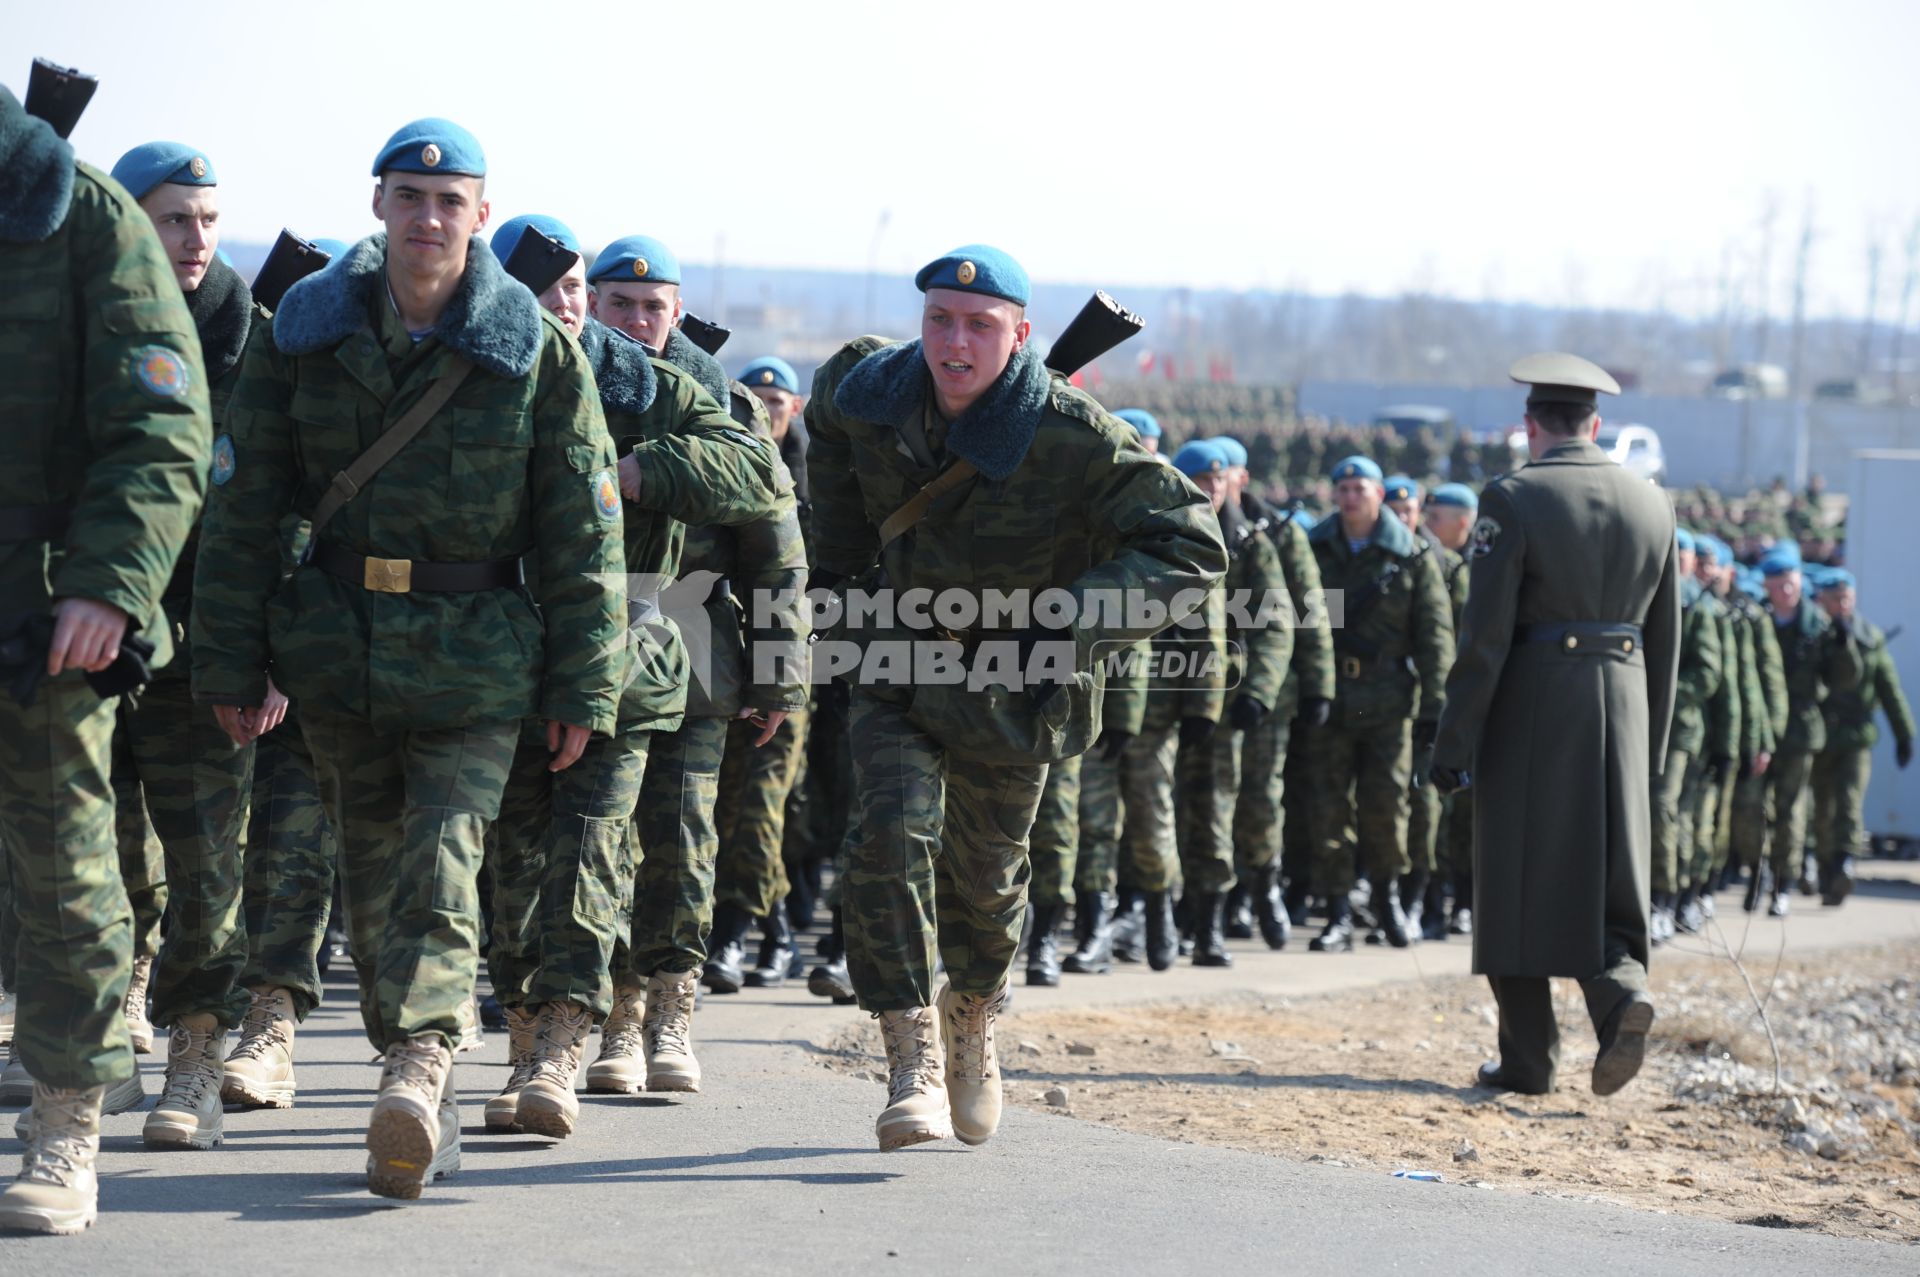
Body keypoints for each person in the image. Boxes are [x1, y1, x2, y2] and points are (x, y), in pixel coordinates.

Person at [190, 120, 630, 1199]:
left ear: (483, 214)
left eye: (451, 201)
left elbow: (584, 530)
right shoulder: (306, 332)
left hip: (476, 656)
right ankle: (415, 1064)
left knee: (443, 855)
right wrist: (228, 662)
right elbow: (246, 507)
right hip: (339, 647)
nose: (429, 219)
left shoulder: (533, 347)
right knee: (377, 879)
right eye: (409, 197)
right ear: (379, 206)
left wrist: (585, 685)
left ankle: (422, 1061)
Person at [807, 245, 1226, 1150]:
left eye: (980, 326)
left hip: (1015, 689)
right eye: (940, 321)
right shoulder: (868, 389)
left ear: (1021, 335)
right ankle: (908, 1049)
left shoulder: (1073, 434)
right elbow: (830, 433)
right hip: (903, 660)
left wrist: (1065, 623)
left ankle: (974, 1010)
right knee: (885, 835)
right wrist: (838, 565)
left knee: (988, 886)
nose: (955, 343)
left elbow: (1192, 544)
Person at [477, 216, 781, 1136]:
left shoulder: (692, 390)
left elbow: (773, 536)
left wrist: (780, 669)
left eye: (655, 307)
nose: (634, 320)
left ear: (676, 311)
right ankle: (591, 1023)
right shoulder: (538, 366)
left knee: (674, 836)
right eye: (617, 302)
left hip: (678, 624)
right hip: (541, 627)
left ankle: (662, 1014)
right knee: (546, 849)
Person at [0, 83, 211, 1235]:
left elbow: (162, 424)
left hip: (37, 612)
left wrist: (105, 584)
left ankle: (64, 1122)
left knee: (65, 868)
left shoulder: (75, 214)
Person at [1431, 352, 1679, 1098]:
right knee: (1609, 873)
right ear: (1596, 426)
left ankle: (1528, 1058)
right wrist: (1651, 745)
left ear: (1530, 425)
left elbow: (1484, 638)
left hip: (1535, 703)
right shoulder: (1653, 503)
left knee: (1515, 877)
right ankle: (1619, 993)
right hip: (1626, 703)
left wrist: (1454, 740)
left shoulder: (1512, 497)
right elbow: (1668, 639)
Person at [99, 139, 268, 1151]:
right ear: (130, 220)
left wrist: (264, 653)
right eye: (172, 217)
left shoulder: (265, 345)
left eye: (206, 218)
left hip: (210, 644)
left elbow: (288, 515)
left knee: (209, 860)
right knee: (102, 850)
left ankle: (198, 1049)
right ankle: (111, 1009)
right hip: (98, 633)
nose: (193, 238)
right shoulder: (91, 327)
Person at [1305, 457, 1453, 952]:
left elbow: (1435, 637)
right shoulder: (1315, 547)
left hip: (1389, 704)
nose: (1350, 498)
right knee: (1329, 807)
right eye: (1343, 488)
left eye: (1360, 488)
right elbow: (1292, 622)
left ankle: (1388, 898)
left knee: (1386, 806)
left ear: (1378, 495)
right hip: (1331, 699)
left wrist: (1435, 707)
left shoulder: (1409, 554)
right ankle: (1339, 910)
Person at [1171, 440, 1290, 966]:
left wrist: (1260, 693)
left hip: (1226, 694)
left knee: (1217, 809)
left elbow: (1277, 624)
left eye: (1218, 481)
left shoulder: (1249, 541)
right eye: (1200, 480)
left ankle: (1211, 925)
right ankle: (1162, 917)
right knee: (1162, 811)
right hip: (1162, 694)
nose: (1211, 490)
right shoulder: (1160, 532)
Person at [1752, 543, 1861, 915]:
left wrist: (1845, 642)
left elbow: (1843, 679)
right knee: (1751, 807)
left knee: (1792, 809)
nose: (1786, 591)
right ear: (1766, 586)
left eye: (1791, 583)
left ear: (1800, 583)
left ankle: (1783, 881)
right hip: (1761, 726)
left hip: (1800, 729)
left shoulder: (1819, 626)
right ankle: (1756, 871)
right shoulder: (1758, 620)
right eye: (1778, 584)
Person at [1811, 569, 1909, 904]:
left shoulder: (1869, 637)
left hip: (1856, 737)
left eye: (1846, 598)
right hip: (1821, 735)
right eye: (1835, 599)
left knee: (1849, 804)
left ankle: (1843, 865)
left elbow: (1888, 688)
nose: (1841, 604)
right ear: (1822, 599)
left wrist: (1904, 734)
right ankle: (1825, 868)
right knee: (1822, 808)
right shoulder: (1812, 632)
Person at [1647, 529, 1722, 942]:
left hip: (1679, 729)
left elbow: (1708, 672)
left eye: (1682, 556)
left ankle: (1666, 898)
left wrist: (1663, 687)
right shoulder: (1641, 594)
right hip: (1637, 722)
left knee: (1664, 808)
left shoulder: (1699, 608)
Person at [1422, 482, 1477, 935]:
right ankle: (1437, 898)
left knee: (1472, 810)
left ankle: (1468, 897)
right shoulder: (1432, 564)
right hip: (1445, 696)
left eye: (1436, 517)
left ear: (1464, 521)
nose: (1427, 525)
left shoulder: (1489, 564)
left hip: (1478, 699)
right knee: (1439, 806)